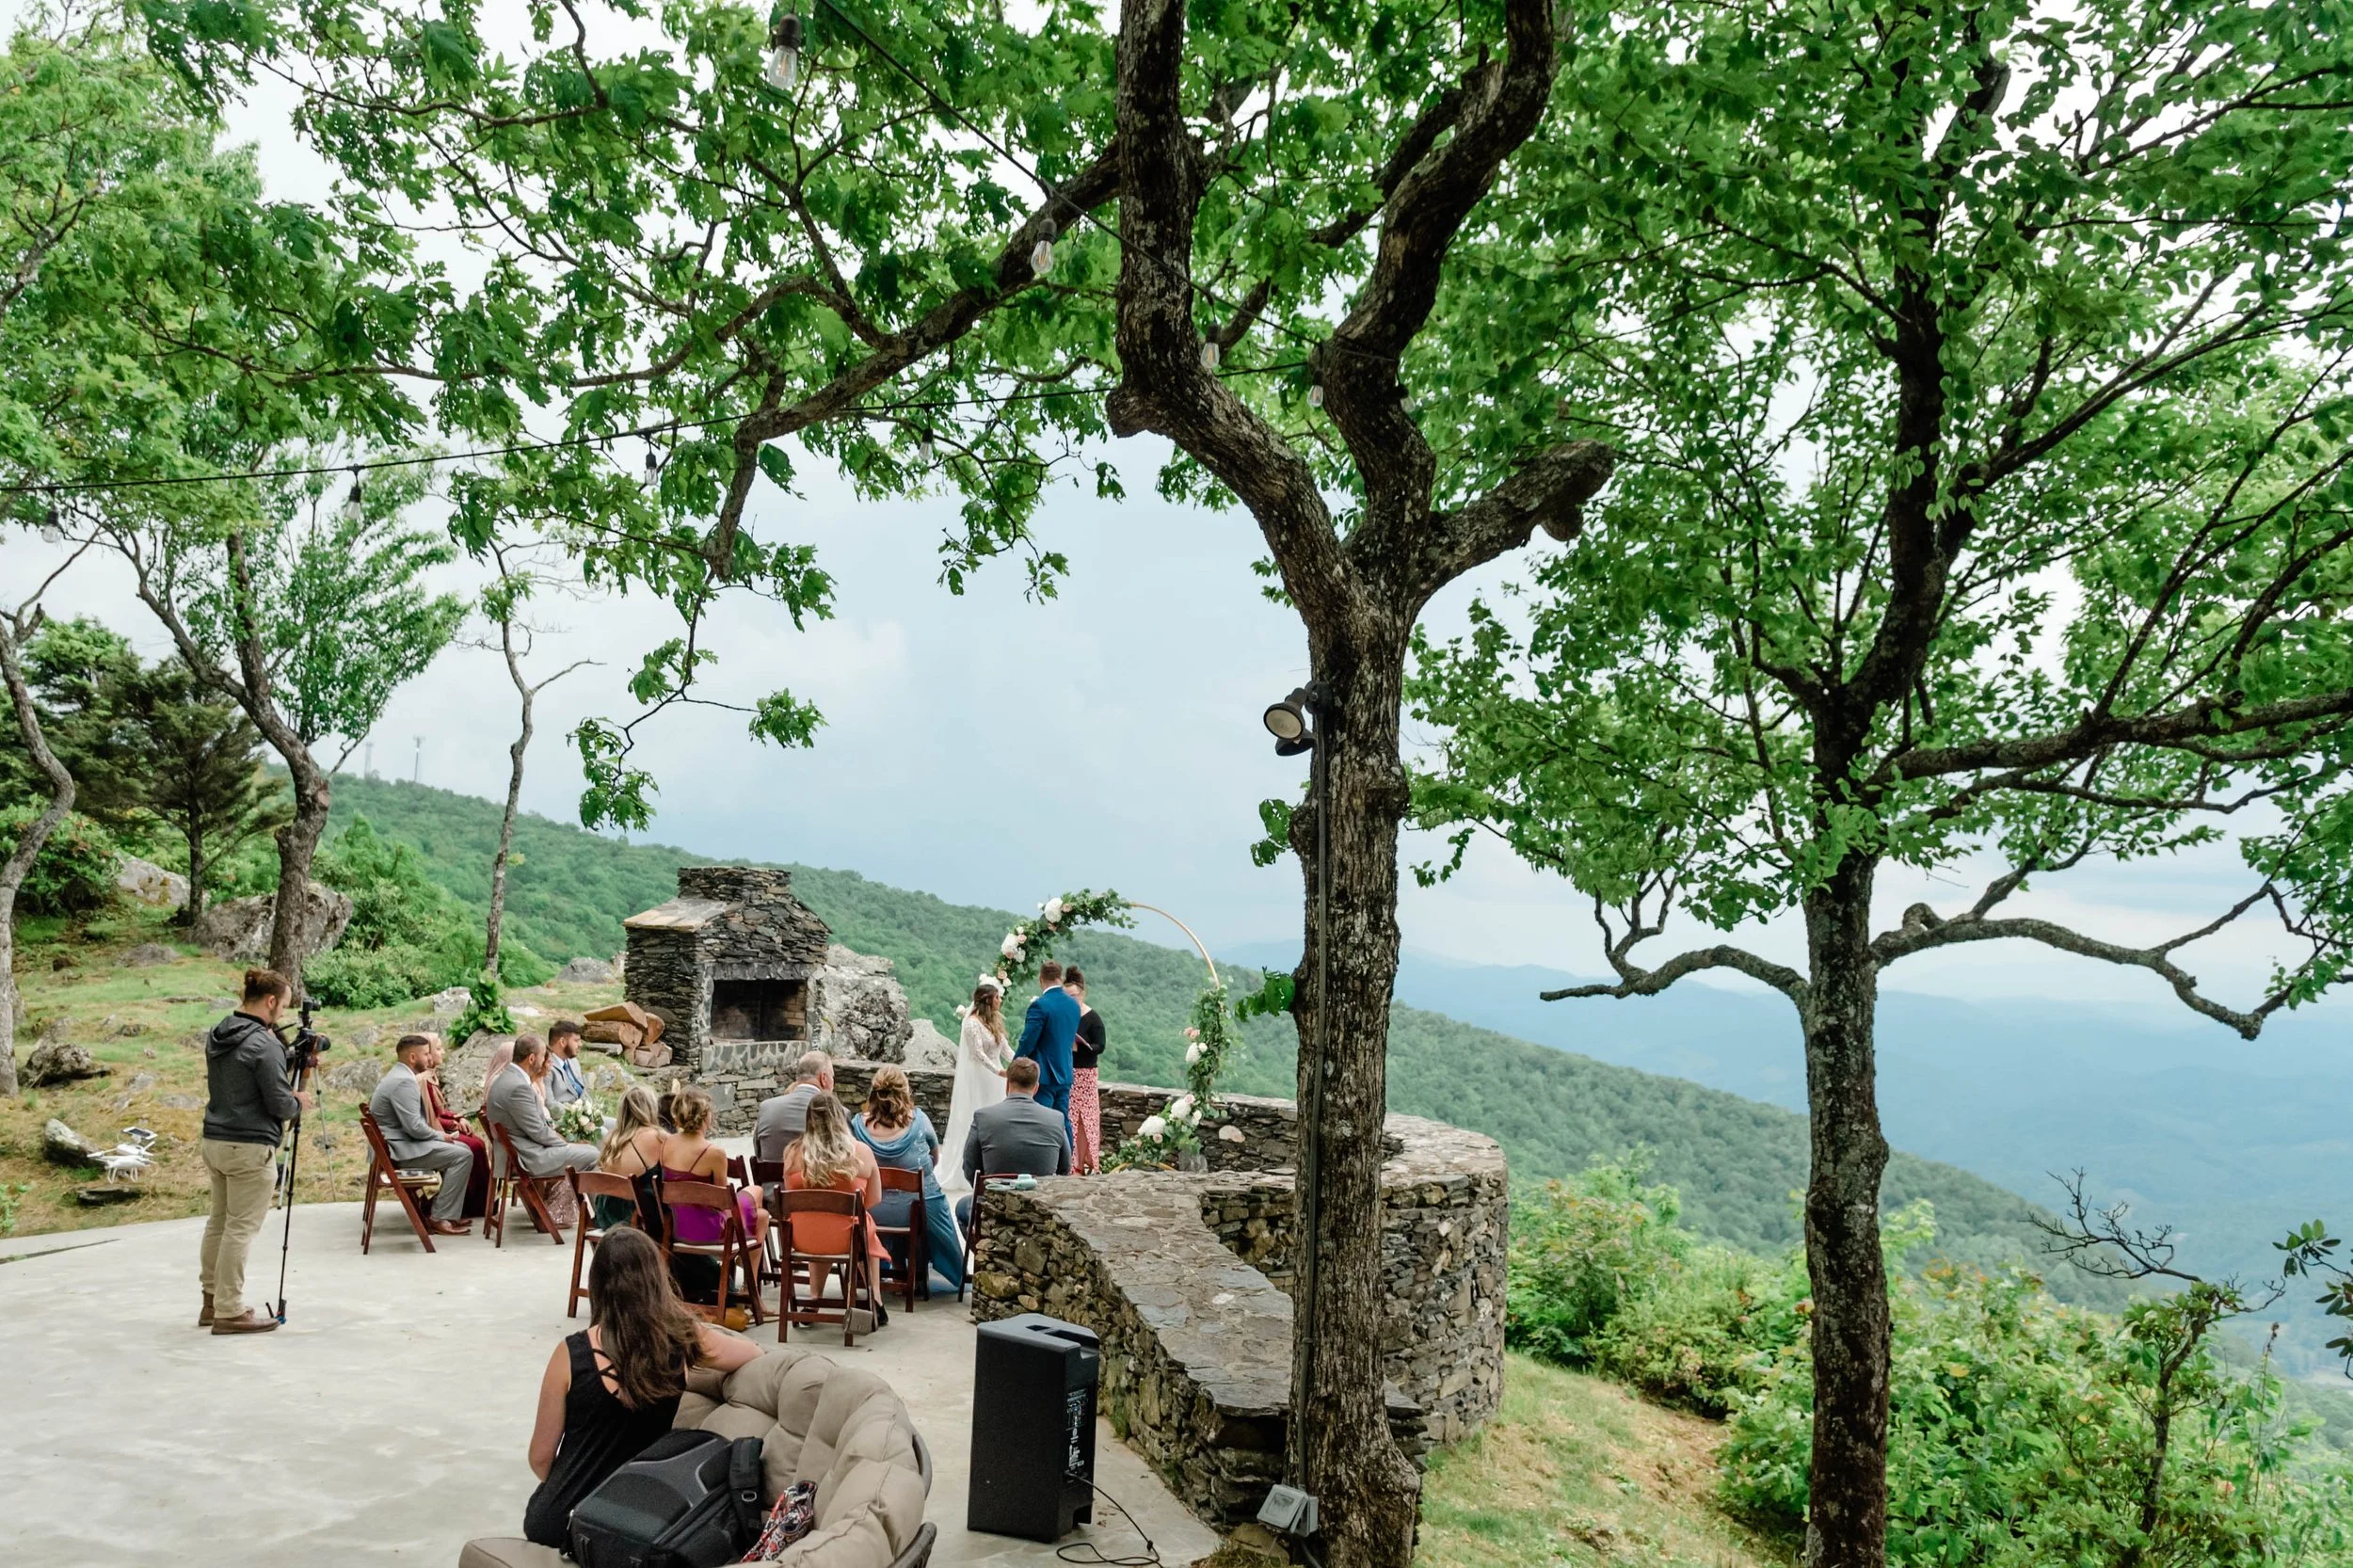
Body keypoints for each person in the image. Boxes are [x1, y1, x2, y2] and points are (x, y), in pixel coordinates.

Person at [521, 1226, 761, 1549]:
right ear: (656, 1279)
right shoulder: (682, 1340)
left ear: (598, 1284)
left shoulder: (570, 1353)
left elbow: (540, 1458)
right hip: (634, 1523)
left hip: (558, 1521)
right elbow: (754, 1355)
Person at [198, 968, 313, 1335]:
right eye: (284, 1005)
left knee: (219, 1222)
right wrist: (299, 1101)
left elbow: (247, 1077)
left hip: (215, 1139)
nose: (284, 1012)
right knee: (240, 1229)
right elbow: (279, 1103)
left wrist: (289, 1061)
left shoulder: (220, 1033)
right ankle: (230, 1311)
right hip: (249, 1147)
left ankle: (211, 1301)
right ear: (270, 1001)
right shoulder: (265, 1044)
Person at [851, 1065, 964, 1295]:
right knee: (927, 1203)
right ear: (905, 1092)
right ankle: (919, 1272)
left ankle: (892, 1269)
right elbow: (933, 1159)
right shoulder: (920, 1123)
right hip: (914, 1212)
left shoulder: (856, 1126)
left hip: (873, 1211)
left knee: (897, 1203)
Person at [780, 1091, 888, 1325]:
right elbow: (873, 1199)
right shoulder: (861, 1152)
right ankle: (875, 1298)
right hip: (847, 1239)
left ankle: (814, 1297)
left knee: (815, 1220)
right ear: (840, 1117)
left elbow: (790, 1198)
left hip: (802, 1239)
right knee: (863, 1222)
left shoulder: (792, 1154)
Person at [368, 1033, 475, 1235]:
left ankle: (445, 1212)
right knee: (463, 1155)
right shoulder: (404, 1082)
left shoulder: (397, 1075)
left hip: (394, 1146)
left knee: (461, 1148)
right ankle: (440, 1217)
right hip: (398, 1151)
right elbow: (415, 1128)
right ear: (412, 1057)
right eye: (426, 1054)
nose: (429, 1058)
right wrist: (442, 1136)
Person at [955, 1057, 1071, 1234]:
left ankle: (984, 1254)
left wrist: (987, 1191)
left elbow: (970, 1166)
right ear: (1036, 1087)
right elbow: (1065, 1168)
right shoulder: (1056, 1119)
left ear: (1007, 1084)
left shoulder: (983, 1117)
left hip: (995, 1203)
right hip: (1038, 1207)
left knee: (962, 1208)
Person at [657, 1086, 769, 1255]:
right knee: (758, 1200)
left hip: (679, 1229)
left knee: (759, 1212)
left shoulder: (666, 1143)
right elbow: (723, 1203)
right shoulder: (714, 1153)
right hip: (712, 1231)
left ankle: (744, 1257)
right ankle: (748, 1277)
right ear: (706, 1115)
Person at [488, 1034, 600, 1187]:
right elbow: (538, 1131)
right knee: (594, 1154)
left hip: (522, 1151)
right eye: (543, 1057)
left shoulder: (507, 1077)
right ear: (532, 1059)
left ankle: (581, 1207)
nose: (545, 1062)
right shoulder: (518, 1087)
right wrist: (567, 1144)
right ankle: (594, 1208)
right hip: (530, 1157)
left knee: (589, 1152)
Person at [939, 976, 1010, 1197]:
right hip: (981, 1076)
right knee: (975, 1118)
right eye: (997, 997)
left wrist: (1019, 1065)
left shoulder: (995, 1022)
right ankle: (967, 1169)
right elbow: (978, 1054)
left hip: (997, 1078)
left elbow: (1006, 1049)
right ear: (988, 1001)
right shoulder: (971, 1023)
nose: (1000, 1000)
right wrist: (998, 1071)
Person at [419, 1036, 489, 1219]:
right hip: (431, 1134)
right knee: (473, 1147)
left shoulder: (431, 1076)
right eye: (437, 1049)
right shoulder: (422, 1080)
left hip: (438, 1128)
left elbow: (439, 1111)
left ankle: (478, 1200)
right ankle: (469, 1203)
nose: (442, 1052)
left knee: (476, 1142)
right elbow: (428, 1117)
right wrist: (453, 1124)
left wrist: (457, 1117)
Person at [1015, 960, 1081, 1140]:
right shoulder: (1074, 1005)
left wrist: (1016, 1063)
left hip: (1043, 1074)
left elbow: (1028, 1040)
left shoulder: (1040, 1005)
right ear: (1060, 978)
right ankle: (1065, 1162)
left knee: (1040, 1120)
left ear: (1040, 979)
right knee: (1062, 1119)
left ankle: (1041, 1161)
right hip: (1065, 1071)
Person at [593, 1084, 666, 1232]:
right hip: (636, 1216)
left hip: (607, 1214)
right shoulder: (656, 1136)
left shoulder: (612, 1139)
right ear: (650, 1108)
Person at [752, 1051, 834, 1165]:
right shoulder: (836, 1113)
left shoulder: (766, 1108)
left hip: (772, 1182)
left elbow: (758, 1154)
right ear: (823, 1078)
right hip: (816, 1181)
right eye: (832, 1076)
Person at [1064, 967, 1105, 1176]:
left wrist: (1082, 1046)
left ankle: (1084, 1162)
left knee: (1085, 1120)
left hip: (1086, 1073)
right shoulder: (1066, 1016)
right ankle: (1071, 1162)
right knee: (1069, 1118)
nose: (1071, 1000)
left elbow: (1101, 1045)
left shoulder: (1092, 1018)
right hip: (1068, 1071)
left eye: (1074, 996)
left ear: (1082, 994)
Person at [545, 1020, 590, 1108]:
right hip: (564, 1118)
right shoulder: (546, 1067)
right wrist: (576, 1116)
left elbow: (584, 1091)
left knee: (617, 1121)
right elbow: (549, 1104)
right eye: (576, 1041)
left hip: (585, 1115)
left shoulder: (574, 1062)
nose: (580, 1045)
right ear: (562, 1042)